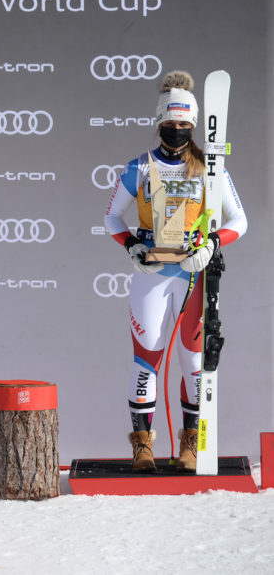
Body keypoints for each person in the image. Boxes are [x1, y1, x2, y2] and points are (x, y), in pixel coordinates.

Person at [104, 71, 246, 472]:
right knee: (146, 358)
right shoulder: (139, 166)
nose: (178, 130)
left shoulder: (209, 168)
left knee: (193, 363)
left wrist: (213, 245)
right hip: (151, 273)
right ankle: (143, 447)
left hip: (192, 273)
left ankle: (190, 446)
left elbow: (240, 220)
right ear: (159, 122)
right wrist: (132, 245)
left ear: (195, 125)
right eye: (171, 123)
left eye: (186, 125)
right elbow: (111, 216)